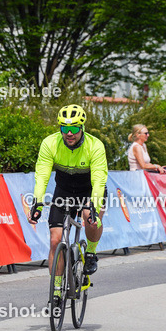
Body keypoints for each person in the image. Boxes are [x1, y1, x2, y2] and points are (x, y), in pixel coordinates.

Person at [28, 104, 108, 299]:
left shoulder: (95, 146)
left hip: (89, 191)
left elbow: (98, 181)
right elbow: (42, 176)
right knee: (55, 241)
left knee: (90, 216)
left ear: (82, 128)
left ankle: (90, 252)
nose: (69, 133)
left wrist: (95, 208)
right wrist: (37, 202)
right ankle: (56, 290)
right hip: (63, 191)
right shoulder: (50, 143)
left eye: (73, 129)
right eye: (64, 129)